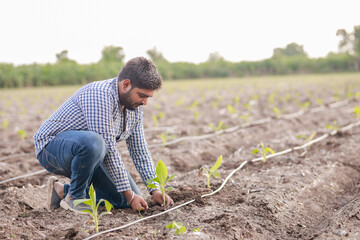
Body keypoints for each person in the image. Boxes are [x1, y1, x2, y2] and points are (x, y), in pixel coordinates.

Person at [33, 56, 174, 213]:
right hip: (51, 150)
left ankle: (61, 190)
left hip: (88, 156)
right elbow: (109, 148)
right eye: (142, 95)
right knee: (95, 142)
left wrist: (154, 189)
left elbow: (139, 151)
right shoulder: (100, 95)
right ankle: (74, 197)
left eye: (148, 97)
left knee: (125, 199)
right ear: (126, 84)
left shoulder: (134, 109)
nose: (145, 102)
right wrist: (130, 195)